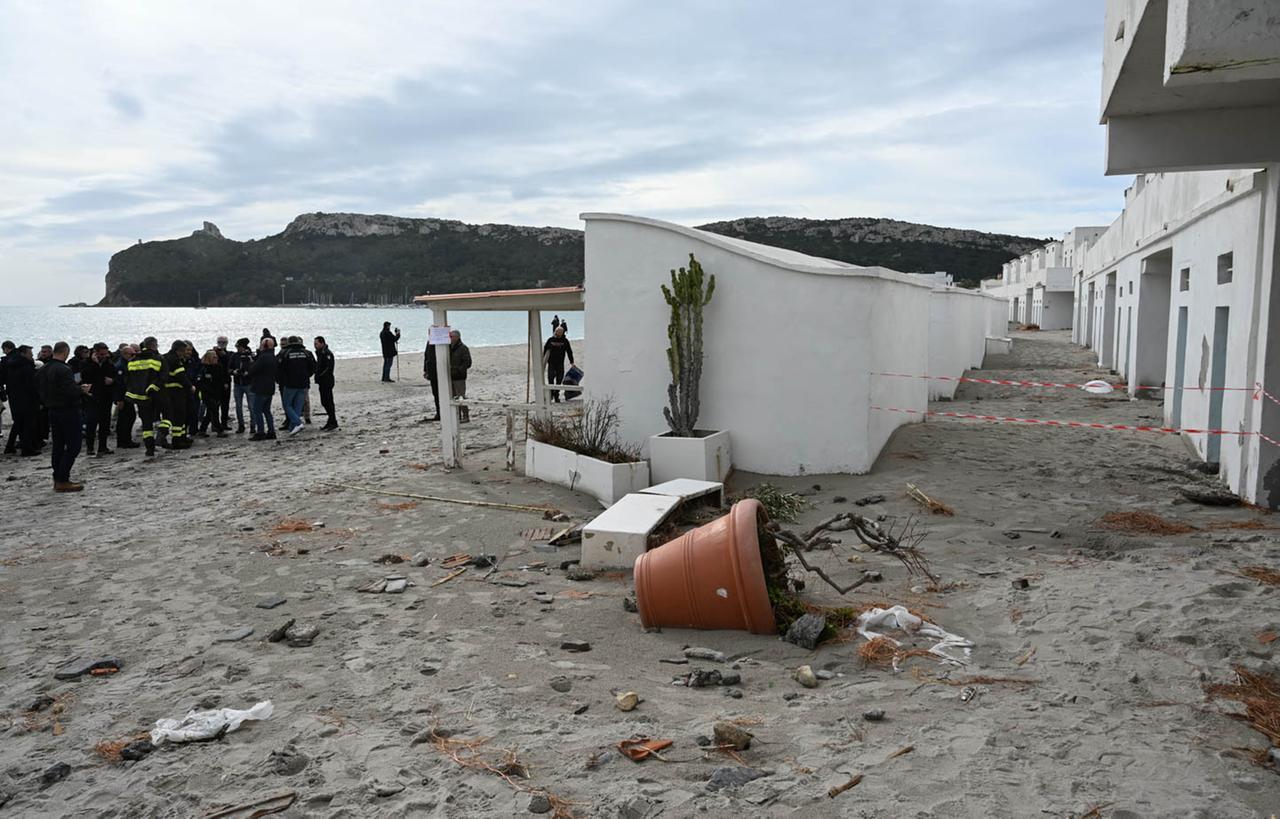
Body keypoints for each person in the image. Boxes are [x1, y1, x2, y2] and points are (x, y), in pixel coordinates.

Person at [35, 341, 90, 491]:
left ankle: (57, 476)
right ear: (65, 352)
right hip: (68, 410)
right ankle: (62, 479)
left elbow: (38, 388)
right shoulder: (64, 369)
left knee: (58, 445)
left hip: (52, 410)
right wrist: (81, 390)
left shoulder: (43, 369)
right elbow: (69, 391)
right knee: (74, 446)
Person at [124, 337, 164, 456]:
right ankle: (160, 439)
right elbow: (162, 377)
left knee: (147, 425)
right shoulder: (157, 359)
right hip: (156, 395)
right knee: (166, 416)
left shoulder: (133, 361)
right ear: (154, 346)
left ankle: (149, 448)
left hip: (140, 397)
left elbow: (128, 379)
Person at [3, 344, 40, 456]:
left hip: (15, 398)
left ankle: (10, 446)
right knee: (27, 424)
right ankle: (26, 448)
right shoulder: (26, 366)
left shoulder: (11, 365)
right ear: (23, 354)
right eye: (30, 353)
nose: (32, 355)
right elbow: (31, 385)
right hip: (27, 399)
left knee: (19, 423)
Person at [277, 336, 316, 436]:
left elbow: (279, 368)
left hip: (290, 383)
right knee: (297, 407)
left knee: (287, 405)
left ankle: (298, 423)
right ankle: (293, 428)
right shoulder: (307, 353)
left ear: (289, 343)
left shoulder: (285, 353)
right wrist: (306, 375)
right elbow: (313, 367)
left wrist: (282, 379)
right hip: (304, 383)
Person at [82, 343, 117, 456]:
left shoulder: (109, 363)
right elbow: (85, 376)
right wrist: (95, 364)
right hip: (92, 396)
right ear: (95, 353)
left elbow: (115, 376)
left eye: (105, 354)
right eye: (101, 354)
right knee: (91, 422)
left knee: (104, 423)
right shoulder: (86, 363)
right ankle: (90, 448)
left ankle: (103, 447)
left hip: (106, 396)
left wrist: (112, 380)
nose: (104, 356)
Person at [160, 340, 194, 450]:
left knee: (177, 415)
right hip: (176, 392)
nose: (184, 353)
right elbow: (181, 376)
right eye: (183, 351)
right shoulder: (175, 360)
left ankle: (181, 437)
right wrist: (190, 386)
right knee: (179, 416)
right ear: (178, 350)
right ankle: (177, 440)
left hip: (166, 391)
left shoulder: (164, 357)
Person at [248, 337, 278, 441]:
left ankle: (260, 432)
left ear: (264, 346)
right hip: (270, 387)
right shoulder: (273, 357)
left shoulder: (263, 357)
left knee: (257, 411)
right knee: (266, 410)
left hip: (260, 387)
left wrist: (252, 362)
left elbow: (253, 370)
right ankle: (271, 431)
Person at [113, 344, 140, 449]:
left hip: (128, 395)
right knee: (124, 419)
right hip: (123, 396)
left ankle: (126, 440)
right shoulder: (120, 366)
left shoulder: (127, 364)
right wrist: (119, 399)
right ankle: (123, 441)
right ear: (125, 354)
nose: (134, 356)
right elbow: (119, 384)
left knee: (130, 417)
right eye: (131, 354)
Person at [197, 349, 228, 438]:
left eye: (216, 357)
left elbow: (221, 378)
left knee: (210, 412)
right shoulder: (204, 368)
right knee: (214, 411)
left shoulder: (218, 367)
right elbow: (201, 382)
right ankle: (219, 430)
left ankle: (202, 429)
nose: (216, 359)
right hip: (207, 393)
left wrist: (224, 385)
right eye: (214, 357)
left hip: (217, 392)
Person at [542, 325, 575, 403]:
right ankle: (551, 394)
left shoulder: (565, 341)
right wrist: (543, 360)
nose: (559, 333)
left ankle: (556, 395)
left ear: (562, 333)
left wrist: (572, 362)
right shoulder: (550, 340)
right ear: (555, 332)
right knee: (550, 379)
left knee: (559, 380)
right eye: (558, 332)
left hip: (560, 363)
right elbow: (545, 350)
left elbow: (569, 351)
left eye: (561, 332)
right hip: (551, 363)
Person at [229, 338, 253, 433]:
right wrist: (234, 372)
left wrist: (248, 372)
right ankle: (241, 425)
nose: (237, 348)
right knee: (238, 406)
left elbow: (254, 368)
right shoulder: (235, 356)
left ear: (243, 347)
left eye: (239, 347)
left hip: (248, 383)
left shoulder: (251, 355)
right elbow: (229, 368)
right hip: (238, 383)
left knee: (251, 406)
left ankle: (253, 425)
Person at [313, 336, 338, 431]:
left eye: (316, 343)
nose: (315, 345)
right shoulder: (320, 353)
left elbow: (329, 367)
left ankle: (333, 421)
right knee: (324, 401)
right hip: (322, 381)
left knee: (328, 401)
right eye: (314, 344)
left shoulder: (327, 353)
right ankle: (331, 420)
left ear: (322, 343)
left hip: (327, 381)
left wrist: (320, 375)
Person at [448, 329, 472, 423]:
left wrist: (458, 370)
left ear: (457, 337)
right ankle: (457, 416)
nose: (450, 338)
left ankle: (465, 416)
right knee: (453, 397)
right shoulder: (448, 347)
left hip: (459, 377)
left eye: (451, 337)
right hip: (450, 376)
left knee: (461, 397)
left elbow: (468, 363)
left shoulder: (463, 348)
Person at [214, 336, 232, 432]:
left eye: (224, 342)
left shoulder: (228, 354)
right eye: (220, 342)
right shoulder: (213, 353)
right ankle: (215, 424)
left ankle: (224, 423)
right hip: (216, 382)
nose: (221, 344)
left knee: (225, 404)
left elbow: (227, 368)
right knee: (215, 404)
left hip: (226, 381)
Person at [422, 341, 440, 422]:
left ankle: (442, 412)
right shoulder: (430, 342)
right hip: (432, 372)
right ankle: (439, 412)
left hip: (441, 371)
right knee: (436, 394)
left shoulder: (441, 340)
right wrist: (426, 370)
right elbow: (426, 356)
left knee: (442, 393)